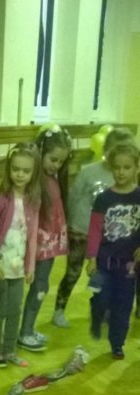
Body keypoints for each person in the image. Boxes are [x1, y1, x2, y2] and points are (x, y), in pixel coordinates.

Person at [53, 127, 135, 328]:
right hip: (80, 231)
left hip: (107, 237)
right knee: (73, 273)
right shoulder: (89, 171)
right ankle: (59, 309)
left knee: (104, 274)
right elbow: (73, 198)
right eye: (114, 151)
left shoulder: (125, 177)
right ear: (106, 150)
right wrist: (68, 225)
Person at [18, 125, 72, 351]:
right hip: (38, 245)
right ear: (41, 151)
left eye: (61, 161)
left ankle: (28, 329)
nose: (56, 165)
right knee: (39, 286)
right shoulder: (34, 181)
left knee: (42, 286)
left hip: (48, 246)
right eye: (53, 159)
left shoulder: (53, 178)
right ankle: (25, 332)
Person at [0, 143, 41, 368]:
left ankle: (10, 350)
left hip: (18, 267)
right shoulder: (0, 198)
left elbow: (32, 236)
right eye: (16, 169)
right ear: (9, 169)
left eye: (26, 171)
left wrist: (31, 266)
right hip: (1, 267)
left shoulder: (33, 201)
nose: (20, 174)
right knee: (1, 310)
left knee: (14, 310)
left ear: (33, 173)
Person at [86, 142, 140, 360]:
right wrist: (91, 258)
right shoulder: (104, 198)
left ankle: (117, 343)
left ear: (136, 168)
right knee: (102, 299)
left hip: (129, 265)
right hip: (104, 262)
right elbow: (95, 230)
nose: (121, 172)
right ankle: (97, 311)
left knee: (123, 306)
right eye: (117, 167)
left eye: (127, 167)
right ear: (111, 168)